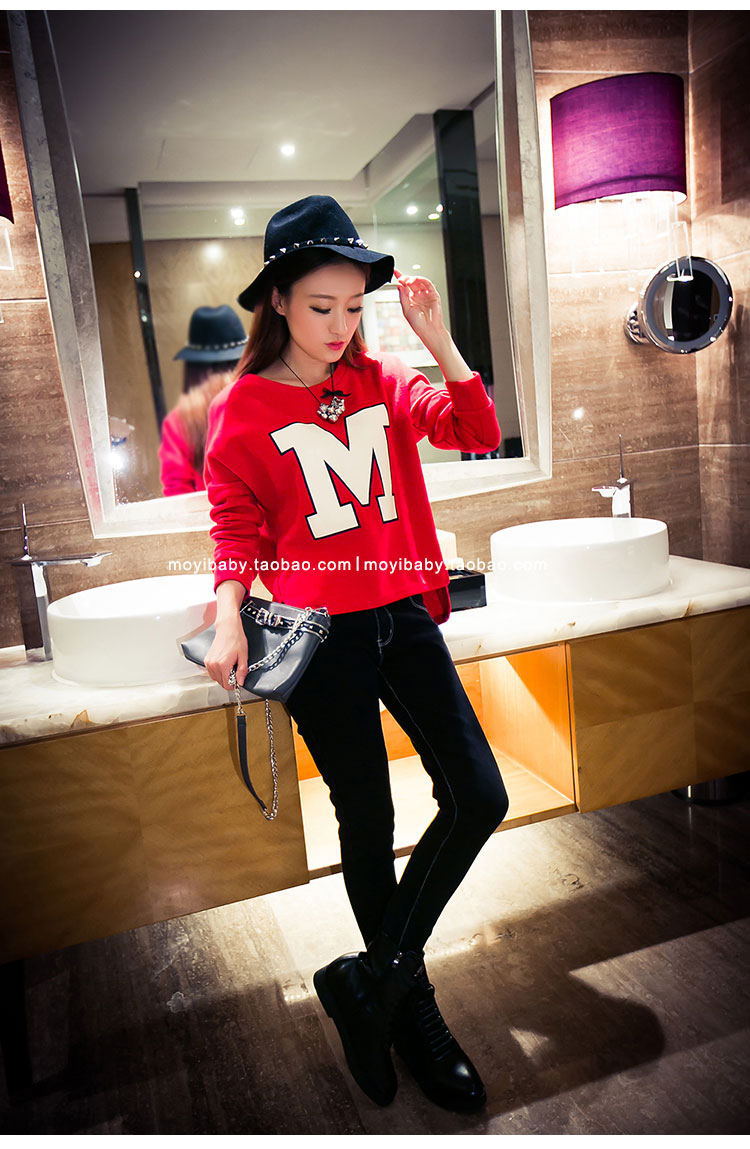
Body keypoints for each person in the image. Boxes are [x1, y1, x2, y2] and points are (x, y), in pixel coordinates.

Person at [202, 195, 509, 1114]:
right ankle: (411, 1010)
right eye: (320, 306)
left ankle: (372, 979)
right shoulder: (243, 409)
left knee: (479, 792)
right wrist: (228, 615)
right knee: (366, 818)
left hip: (402, 617)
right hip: (321, 635)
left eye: (352, 306)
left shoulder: (383, 379)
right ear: (279, 301)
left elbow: (476, 432)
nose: (340, 325)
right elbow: (235, 529)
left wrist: (438, 340)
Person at [158, 304, 248, 495]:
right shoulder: (259, 400)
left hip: (213, 513)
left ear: (193, 367)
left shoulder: (179, 422)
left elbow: (177, 493)